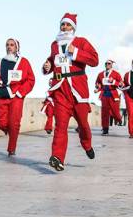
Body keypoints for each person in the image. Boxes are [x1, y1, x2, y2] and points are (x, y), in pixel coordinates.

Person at [41, 13, 99, 172]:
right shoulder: (54, 45)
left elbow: (95, 60)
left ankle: (87, 144)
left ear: (73, 27)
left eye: (67, 25)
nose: (64, 27)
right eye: (62, 25)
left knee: (83, 124)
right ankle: (57, 158)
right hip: (60, 89)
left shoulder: (81, 42)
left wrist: (76, 52)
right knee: (60, 126)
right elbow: (52, 61)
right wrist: (47, 67)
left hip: (78, 89)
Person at [0, 38, 36, 156]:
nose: (9, 47)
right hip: (2, 94)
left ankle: (11, 149)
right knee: (1, 123)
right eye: (7, 45)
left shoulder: (24, 62)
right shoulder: (1, 61)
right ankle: (11, 132)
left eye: (12, 45)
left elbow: (31, 80)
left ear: (17, 48)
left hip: (17, 96)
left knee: (14, 123)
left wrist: (21, 92)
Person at [94, 59, 123, 135]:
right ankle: (105, 129)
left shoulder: (116, 74)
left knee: (115, 111)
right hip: (104, 95)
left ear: (111, 65)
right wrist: (97, 87)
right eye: (106, 63)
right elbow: (98, 83)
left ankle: (119, 119)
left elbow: (121, 84)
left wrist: (113, 81)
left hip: (113, 94)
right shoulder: (100, 74)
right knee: (104, 113)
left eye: (109, 63)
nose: (107, 65)